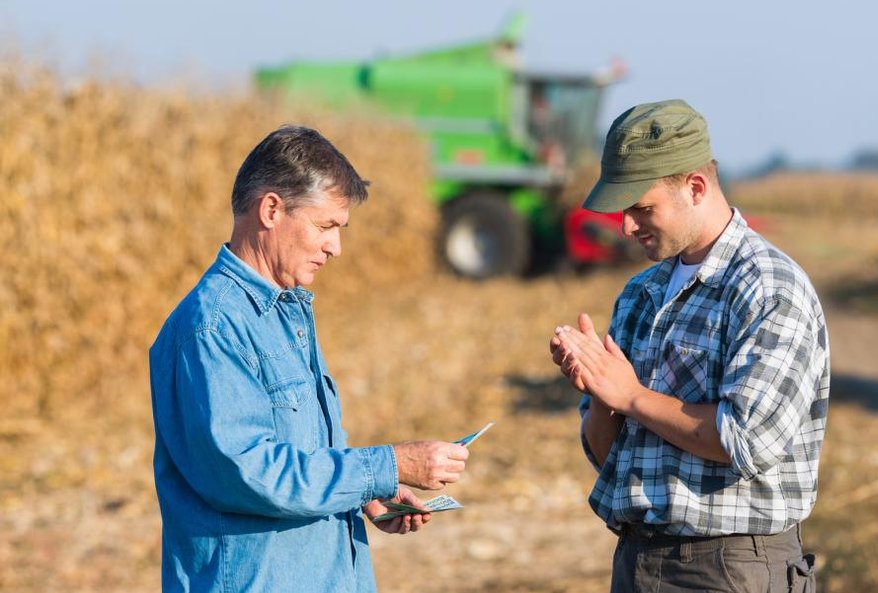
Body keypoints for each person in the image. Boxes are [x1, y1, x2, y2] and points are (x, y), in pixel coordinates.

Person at [149, 125, 470, 593]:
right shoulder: (212, 327)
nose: (335, 248)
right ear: (272, 209)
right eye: (325, 227)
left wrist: (366, 494)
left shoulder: (286, 309)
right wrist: (387, 466)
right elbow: (249, 472)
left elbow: (301, 455)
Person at [549, 100, 828, 593]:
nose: (628, 227)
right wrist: (599, 394)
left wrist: (631, 396)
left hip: (730, 567)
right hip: (637, 561)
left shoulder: (768, 287)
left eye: (642, 208)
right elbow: (606, 456)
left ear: (695, 188)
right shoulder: (640, 293)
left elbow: (748, 440)